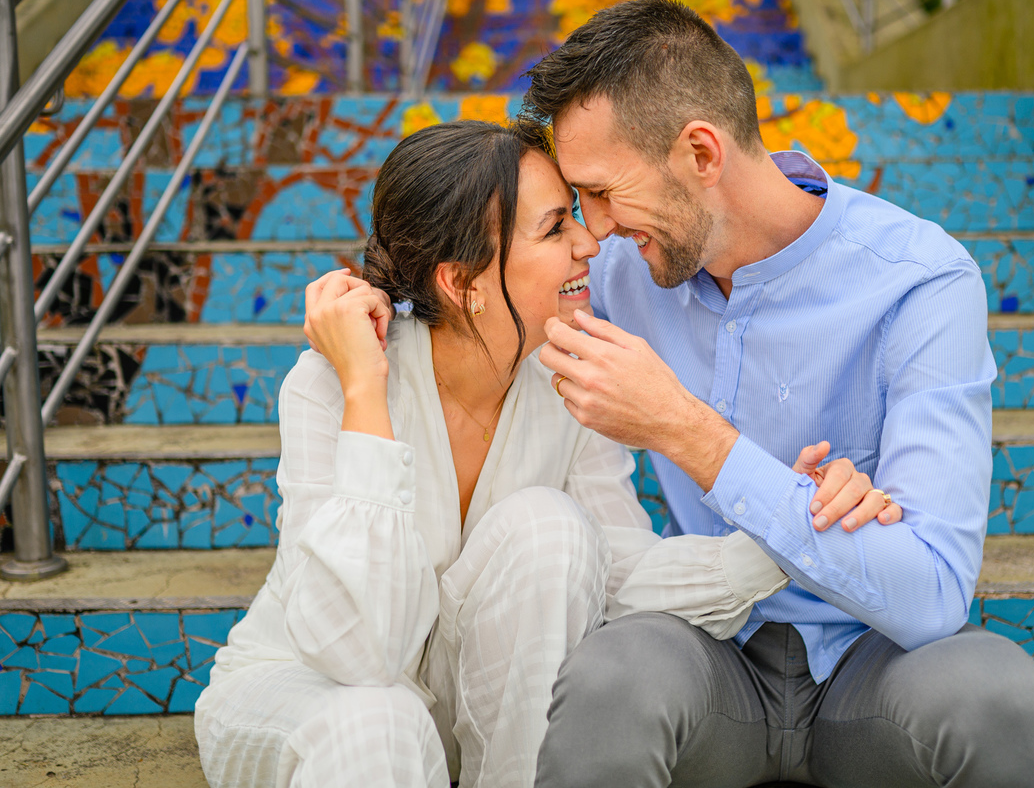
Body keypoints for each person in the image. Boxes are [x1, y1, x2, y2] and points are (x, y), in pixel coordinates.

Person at [195, 119, 895, 788]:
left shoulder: (569, 381)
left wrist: (788, 525)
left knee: (550, 525)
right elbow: (361, 653)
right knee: (381, 720)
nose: (590, 244)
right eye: (556, 226)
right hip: (314, 697)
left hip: (459, 705)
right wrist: (364, 388)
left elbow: (616, 570)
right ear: (462, 280)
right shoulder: (332, 382)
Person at [514, 0, 1034, 788]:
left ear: (701, 153)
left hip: (873, 665)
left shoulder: (920, 281)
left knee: (1000, 700)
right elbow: (483, 291)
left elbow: (931, 593)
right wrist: (379, 312)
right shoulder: (617, 271)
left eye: (606, 192)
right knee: (611, 678)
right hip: (704, 655)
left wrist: (692, 435)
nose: (597, 226)